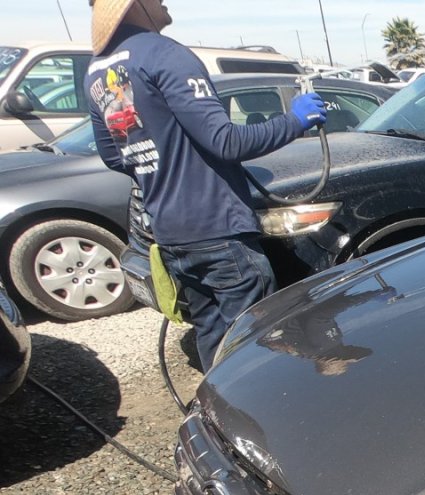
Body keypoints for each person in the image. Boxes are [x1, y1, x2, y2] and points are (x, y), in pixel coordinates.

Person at [84, 0, 327, 370]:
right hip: (217, 230)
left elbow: (114, 156)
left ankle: (214, 399)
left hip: (170, 233)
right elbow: (225, 142)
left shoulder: (95, 71)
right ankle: (252, 406)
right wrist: (295, 120)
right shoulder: (165, 54)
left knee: (212, 332)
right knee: (256, 342)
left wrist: (163, 163)